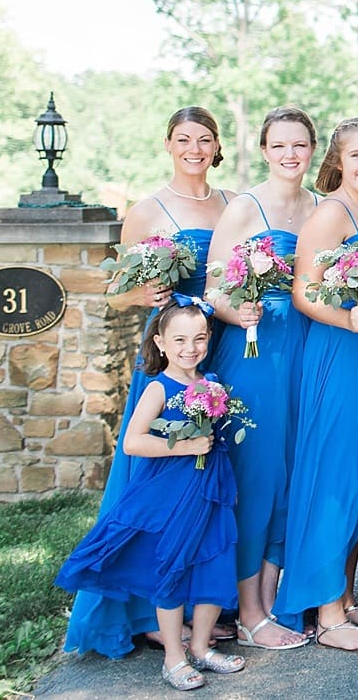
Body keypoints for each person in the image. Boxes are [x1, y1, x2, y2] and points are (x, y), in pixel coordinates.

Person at [65, 106, 231, 659]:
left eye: (204, 139)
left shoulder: (232, 203)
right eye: (184, 139)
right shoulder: (147, 210)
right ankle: (145, 610)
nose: (194, 149)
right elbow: (114, 295)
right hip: (167, 355)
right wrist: (142, 295)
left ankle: (204, 600)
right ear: (168, 144)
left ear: (217, 146)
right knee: (153, 482)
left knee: (208, 474)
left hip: (217, 347)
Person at [55, 301, 247, 691]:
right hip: (171, 493)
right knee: (173, 567)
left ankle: (200, 647)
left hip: (209, 490)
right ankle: (174, 657)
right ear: (160, 342)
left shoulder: (211, 382)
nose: (190, 348)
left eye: (199, 339)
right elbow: (133, 442)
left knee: (215, 562)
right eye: (179, 340)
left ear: (209, 338)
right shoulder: (158, 387)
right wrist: (185, 447)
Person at [274, 117, 358, 653]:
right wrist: (347, 317)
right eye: (356, 155)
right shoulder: (330, 213)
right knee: (338, 474)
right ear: (338, 161)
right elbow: (304, 292)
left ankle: (346, 596)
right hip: (342, 352)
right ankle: (327, 614)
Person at [204, 106, 318, 652]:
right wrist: (236, 312)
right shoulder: (246, 207)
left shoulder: (320, 206)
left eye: (299, 145)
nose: (290, 155)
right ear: (265, 150)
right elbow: (213, 287)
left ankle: (270, 600)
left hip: (307, 348)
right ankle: (246, 609)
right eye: (279, 146)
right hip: (255, 351)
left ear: (313, 149)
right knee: (257, 475)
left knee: (292, 472)